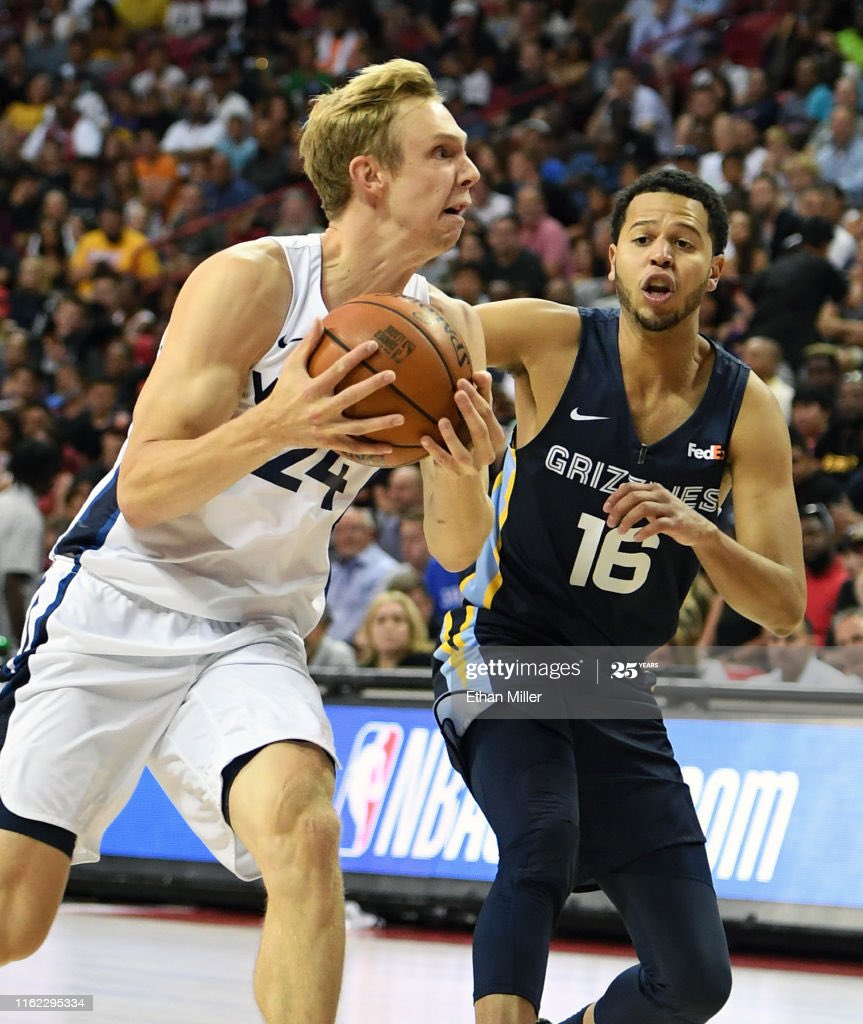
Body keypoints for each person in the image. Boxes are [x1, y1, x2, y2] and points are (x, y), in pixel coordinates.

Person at [0, 59, 504, 1024]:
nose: (469, 173)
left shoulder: (450, 329)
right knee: (17, 921)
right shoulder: (253, 282)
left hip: (250, 630)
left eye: (468, 152)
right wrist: (280, 422)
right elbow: (142, 492)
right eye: (443, 152)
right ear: (371, 176)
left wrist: (464, 467)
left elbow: (451, 550)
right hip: (119, 600)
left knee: (307, 830)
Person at [433, 168, 805, 1024]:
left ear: (716, 268)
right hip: (498, 642)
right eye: (642, 238)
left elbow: (784, 607)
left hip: (608, 681)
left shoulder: (745, 413)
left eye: (683, 240)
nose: (660, 255)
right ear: (611, 260)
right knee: (540, 839)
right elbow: (421, 332)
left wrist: (702, 534)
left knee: (694, 979)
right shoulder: (552, 339)